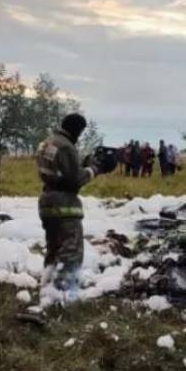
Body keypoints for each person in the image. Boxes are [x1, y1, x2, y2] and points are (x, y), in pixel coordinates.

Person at [36, 113, 110, 299]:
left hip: (47, 201)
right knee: (71, 251)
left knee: (54, 249)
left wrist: (80, 165)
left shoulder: (48, 142)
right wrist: (93, 169)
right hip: (64, 204)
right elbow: (73, 180)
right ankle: (62, 293)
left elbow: (59, 171)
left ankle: (46, 286)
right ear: (77, 129)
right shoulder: (66, 147)